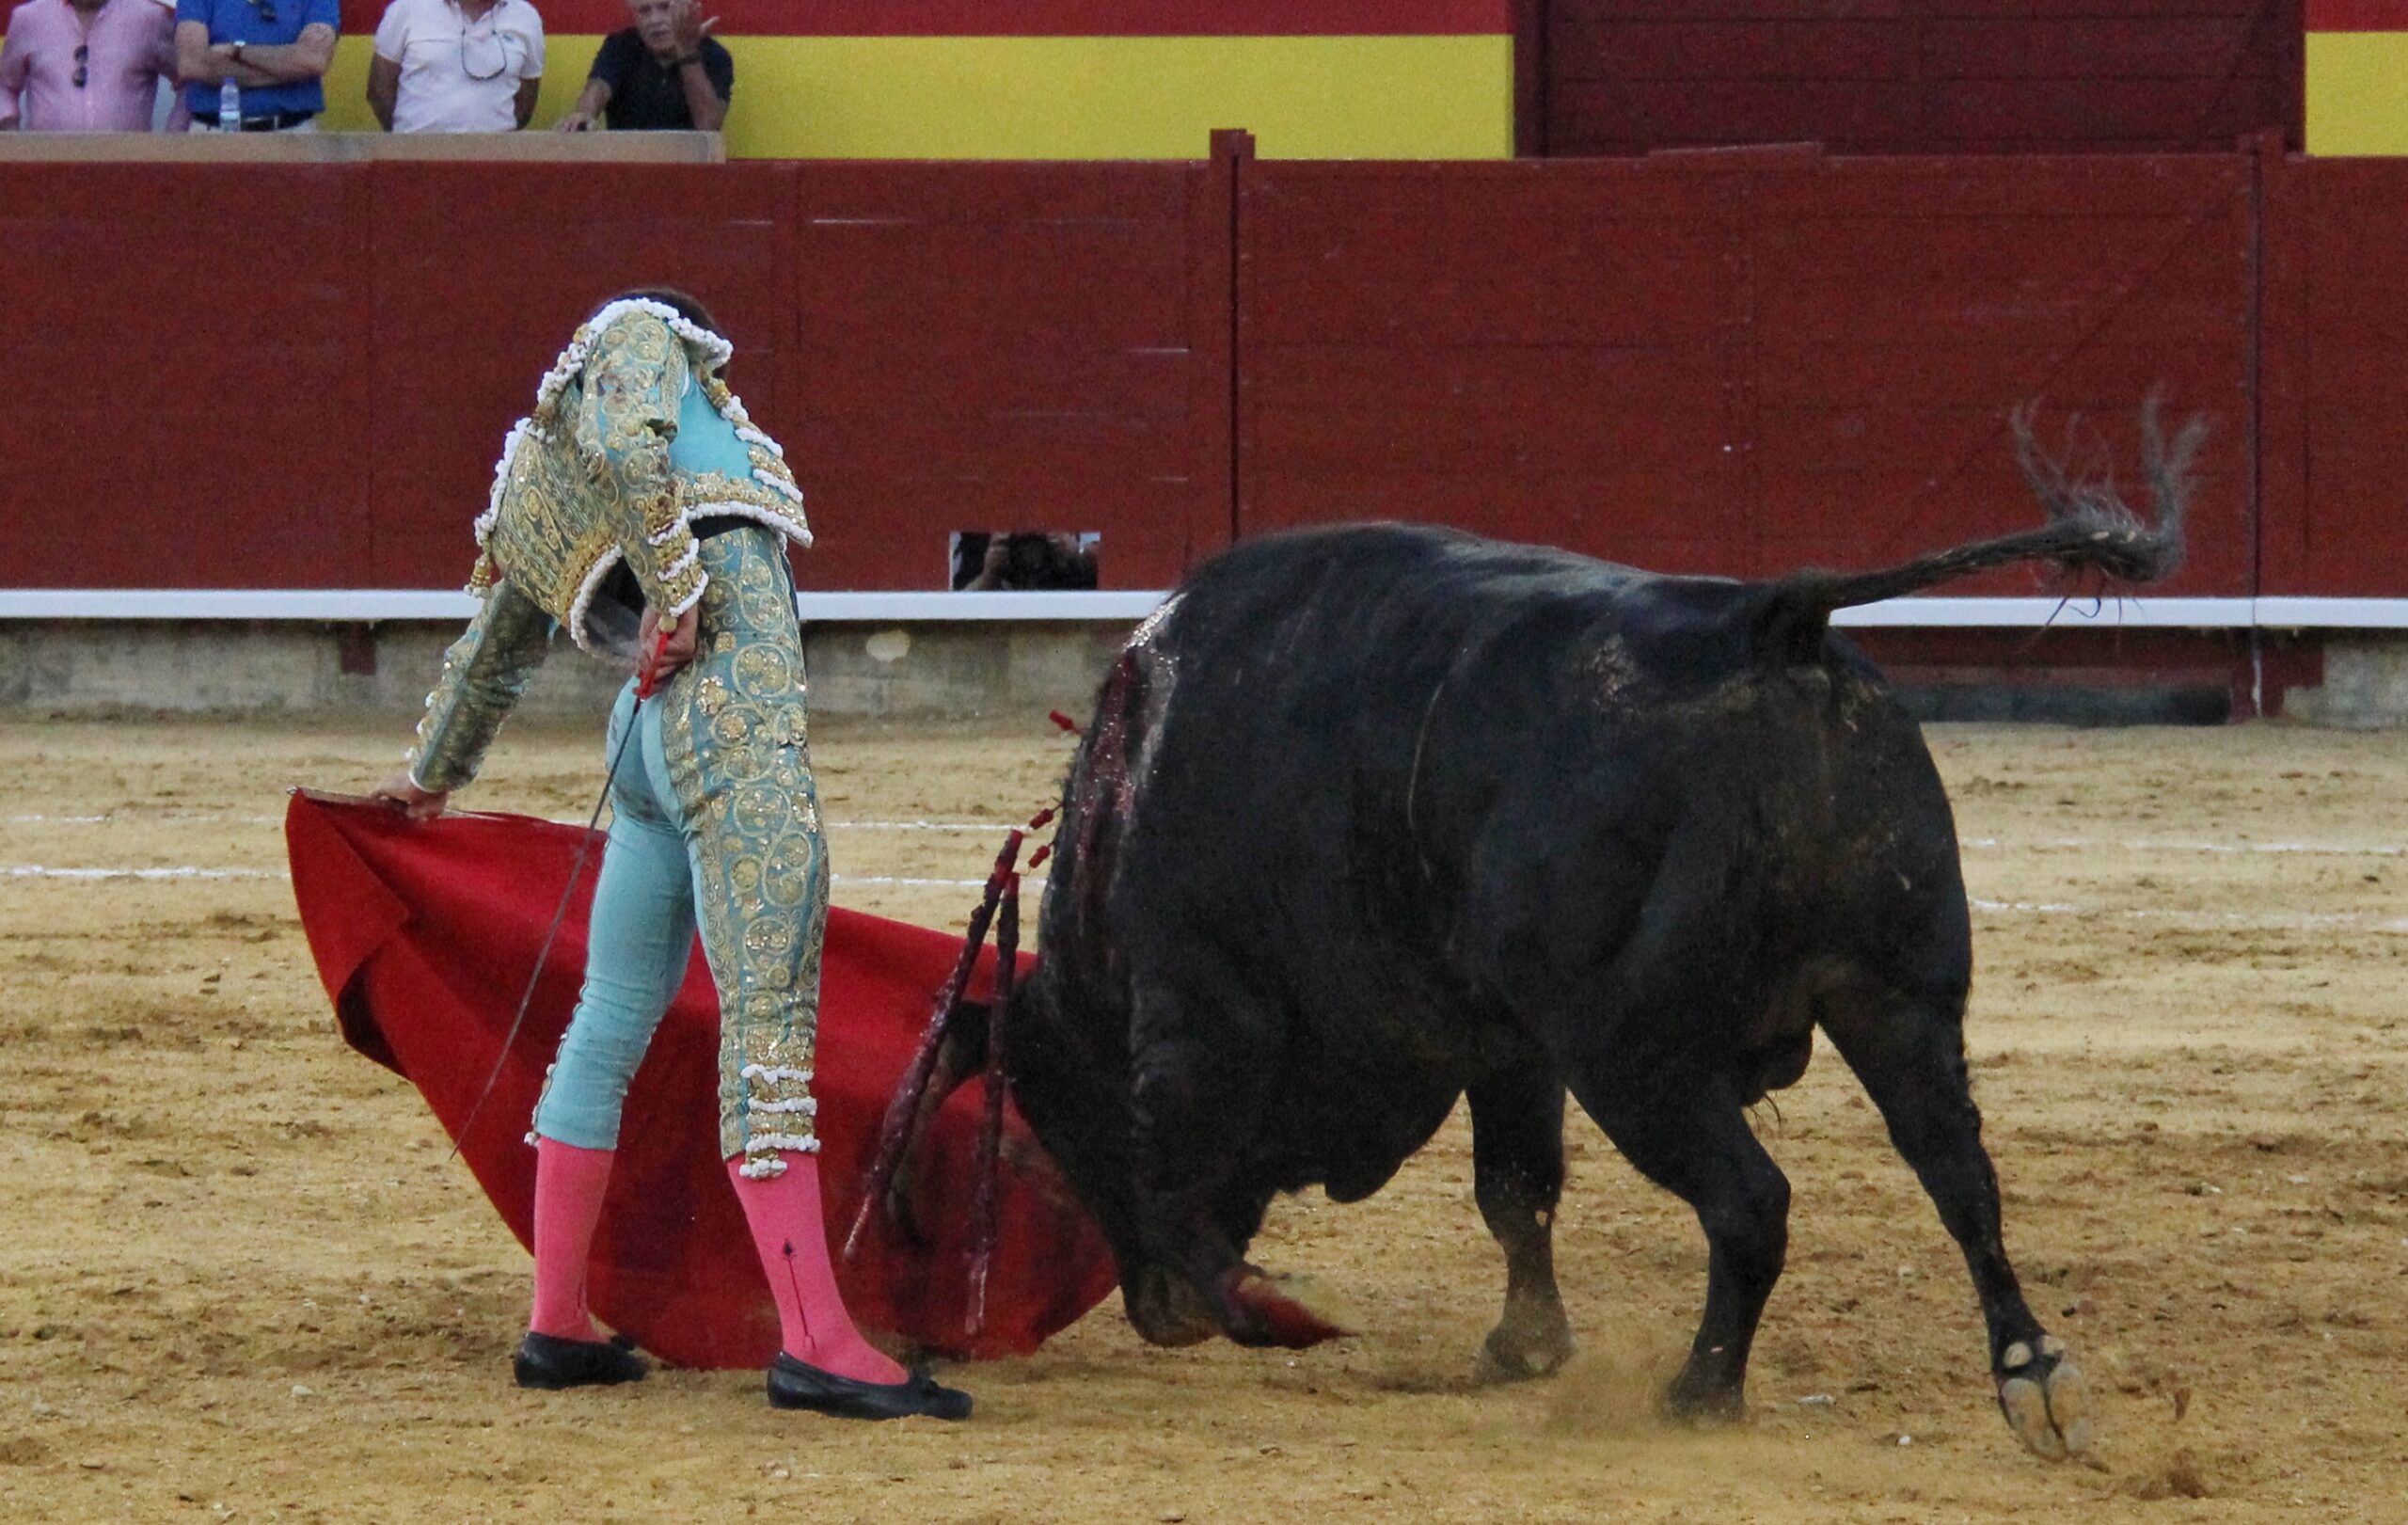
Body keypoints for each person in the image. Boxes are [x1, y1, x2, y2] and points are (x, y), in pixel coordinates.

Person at [372, 290, 971, 1423]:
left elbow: (492, 651)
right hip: (730, 717)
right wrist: (684, 588)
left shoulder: (530, 480)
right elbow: (629, 438)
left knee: (609, 1015)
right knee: (767, 1023)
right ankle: (817, 1341)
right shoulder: (640, 342)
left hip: (642, 743)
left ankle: (559, 1319)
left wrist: (430, 779)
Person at [0, 0, 188, 132]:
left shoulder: (148, 19)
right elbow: (5, 85)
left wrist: (174, 137)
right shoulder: (30, 18)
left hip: (128, 171)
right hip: (47, 170)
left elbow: (188, 79)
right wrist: (8, 126)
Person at [367, 0, 542, 134]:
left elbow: (526, 102)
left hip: (496, 162)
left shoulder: (526, 17)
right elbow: (379, 90)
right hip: (417, 160)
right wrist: (409, 136)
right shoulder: (408, 8)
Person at [555, 0, 726, 134]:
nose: (654, 20)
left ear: (687, 11)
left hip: (691, 169)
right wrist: (585, 114)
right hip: (625, 167)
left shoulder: (715, 55)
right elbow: (599, 87)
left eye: (665, 7)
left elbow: (708, 126)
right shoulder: (620, 46)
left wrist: (687, 53)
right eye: (644, 11)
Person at [172, 0, 337, 132]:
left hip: (293, 136)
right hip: (215, 135)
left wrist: (236, 51)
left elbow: (314, 60)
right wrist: (288, 69)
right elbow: (192, 63)